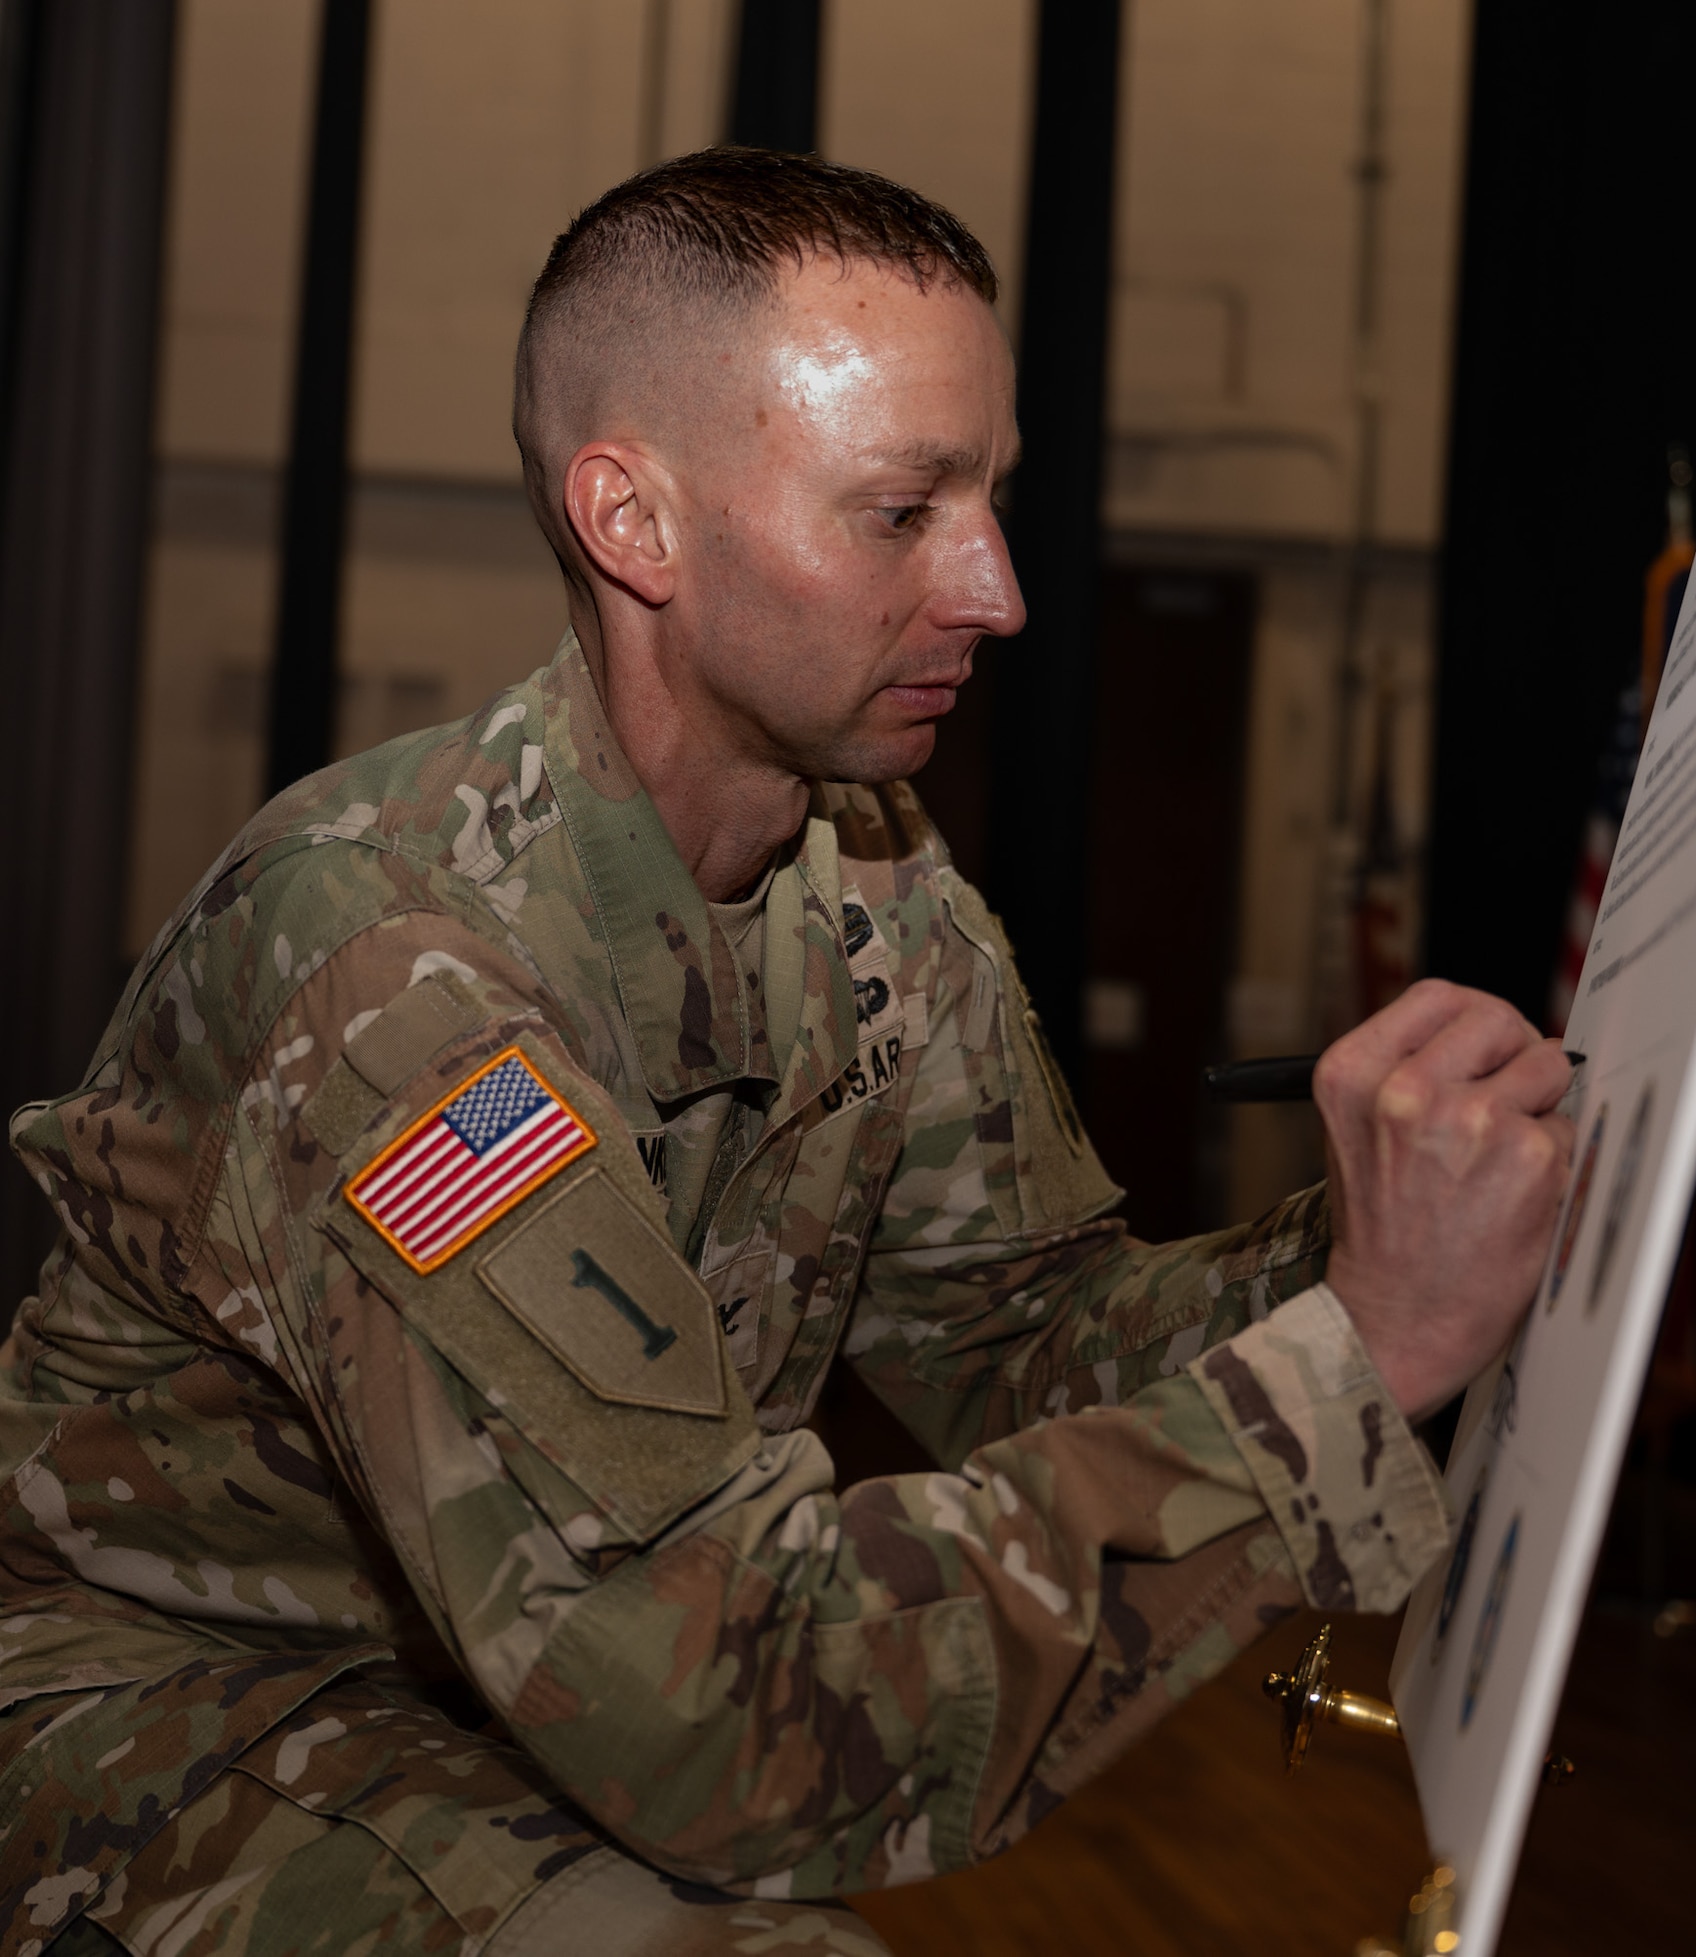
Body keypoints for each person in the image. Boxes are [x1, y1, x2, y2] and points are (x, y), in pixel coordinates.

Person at [0, 149, 1572, 1956]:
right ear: (634, 523)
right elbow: (718, 1704)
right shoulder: (393, 977)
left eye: (991, 498)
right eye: (903, 511)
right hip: (180, 1727)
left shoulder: (873, 889)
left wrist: (1399, 1242)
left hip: (513, 1695)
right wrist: (1358, 1361)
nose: (996, 590)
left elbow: (1031, 1344)